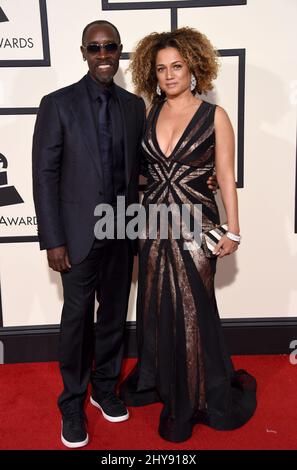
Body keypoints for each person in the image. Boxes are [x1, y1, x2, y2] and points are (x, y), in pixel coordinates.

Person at [119, 27, 257, 443]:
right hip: (153, 223)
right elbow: (144, 171)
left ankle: (192, 399)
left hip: (198, 226)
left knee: (193, 310)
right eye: (161, 69)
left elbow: (227, 177)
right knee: (157, 307)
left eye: (177, 66)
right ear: (152, 74)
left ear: (194, 67)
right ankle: (162, 383)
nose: (169, 75)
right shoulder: (148, 113)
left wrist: (233, 229)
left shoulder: (215, 116)